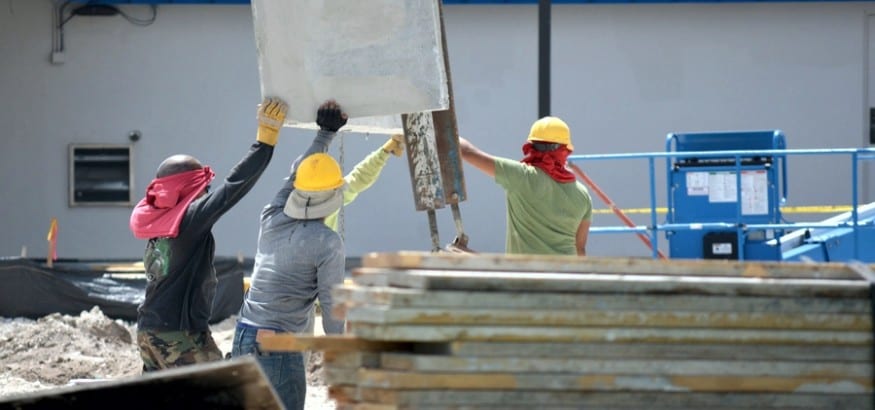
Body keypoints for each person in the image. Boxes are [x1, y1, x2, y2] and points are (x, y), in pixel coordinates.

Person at [129, 97, 288, 372]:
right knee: (228, 386)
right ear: (191, 187)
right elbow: (232, 188)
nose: (207, 193)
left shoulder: (161, 222)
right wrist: (265, 143)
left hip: (149, 330)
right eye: (204, 187)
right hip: (179, 333)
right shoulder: (189, 218)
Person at [231, 100, 349, 410]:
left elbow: (298, 174)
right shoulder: (327, 243)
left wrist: (325, 132)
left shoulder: (272, 215)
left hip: (244, 335)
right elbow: (333, 309)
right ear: (334, 195)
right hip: (279, 348)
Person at [458, 116, 593, 256]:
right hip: (564, 274)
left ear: (531, 147)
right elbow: (580, 248)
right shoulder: (582, 194)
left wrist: (439, 129)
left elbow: (466, 151)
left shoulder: (521, 176)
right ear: (565, 151)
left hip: (526, 274)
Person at [324, 133, 404, 231]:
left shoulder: (327, 200)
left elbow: (359, 178)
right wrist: (385, 151)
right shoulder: (328, 200)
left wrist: (385, 150)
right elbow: (359, 178)